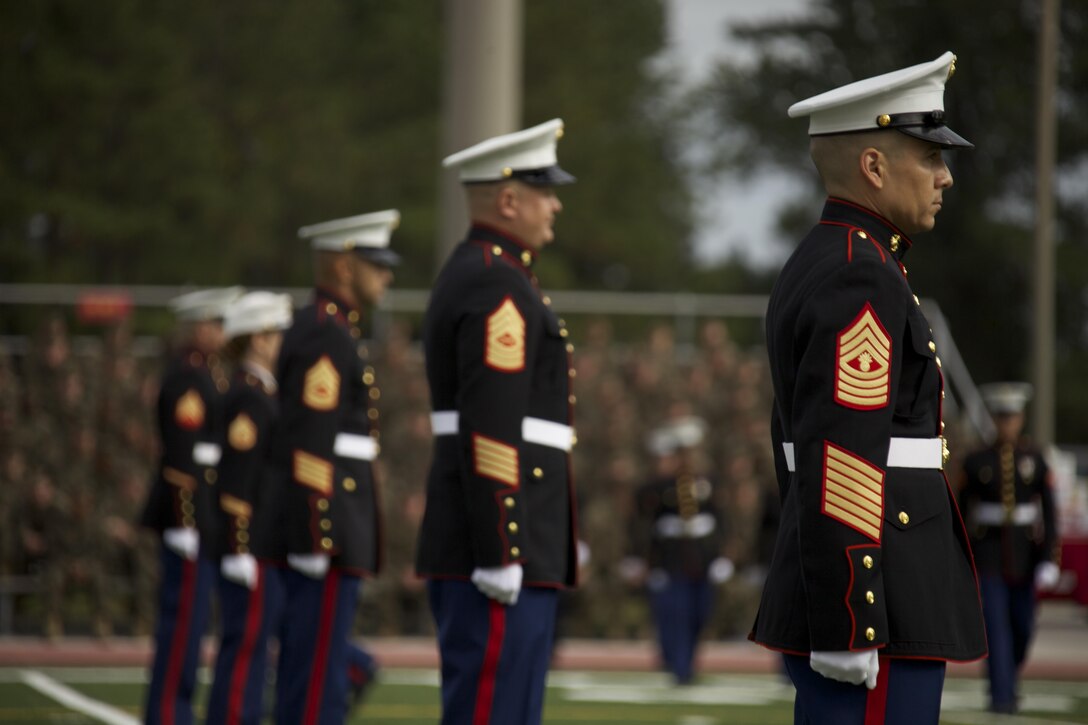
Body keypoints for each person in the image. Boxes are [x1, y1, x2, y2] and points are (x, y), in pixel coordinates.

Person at [749, 52, 987, 724]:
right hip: (880, 601)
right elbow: (844, 450)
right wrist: (853, 615)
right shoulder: (861, 274)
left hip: (874, 588)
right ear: (874, 167)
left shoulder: (836, 259)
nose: (944, 176)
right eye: (928, 157)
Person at [416, 118, 579, 725]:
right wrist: (501, 545)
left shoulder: (494, 273)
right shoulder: (496, 283)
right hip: (499, 540)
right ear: (509, 199)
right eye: (546, 190)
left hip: (509, 536)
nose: (556, 204)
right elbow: (491, 423)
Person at [268, 210, 398, 724]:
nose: (386, 276)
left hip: (334, 517)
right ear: (344, 266)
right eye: (376, 264)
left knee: (318, 666)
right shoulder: (326, 333)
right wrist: (315, 533)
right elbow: (310, 441)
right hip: (325, 524)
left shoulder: (332, 328)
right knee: (314, 675)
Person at [140, 286, 243, 725]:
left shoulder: (210, 372)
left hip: (203, 509)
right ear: (198, 326)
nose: (221, 332)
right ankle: (168, 713)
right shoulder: (187, 376)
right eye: (215, 324)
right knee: (182, 622)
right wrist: (185, 520)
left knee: (194, 621)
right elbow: (182, 454)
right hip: (189, 512)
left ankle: (175, 708)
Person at [204, 291, 293, 725]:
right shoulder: (251, 396)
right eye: (277, 334)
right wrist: (240, 547)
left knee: (252, 649)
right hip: (252, 544)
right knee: (245, 650)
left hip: (260, 544)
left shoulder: (259, 392)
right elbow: (238, 479)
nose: (282, 343)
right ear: (258, 339)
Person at [958, 382, 1060, 714]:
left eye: (1012, 416)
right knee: (995, 626)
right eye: (1001, 416)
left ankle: (1007, 680)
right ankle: (1001, 696)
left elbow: (1049, 511)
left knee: (1022, 626)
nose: (1007, 423)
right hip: (987, 553)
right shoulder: (976, 460)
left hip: (1025, 554)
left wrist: (1048, 558)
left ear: (1021, 418)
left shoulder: (1034, 458)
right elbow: (960, 509)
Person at [624, 414, 733, 685]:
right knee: (675, 613)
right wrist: (639, 558)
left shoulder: (709, 482)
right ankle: (680, 667)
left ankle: (685, 661)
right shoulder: (658, 486)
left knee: (700, 613)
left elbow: (721, 520)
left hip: (701, 557)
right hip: (669, 559)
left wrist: (723, 555)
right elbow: (642, 522)